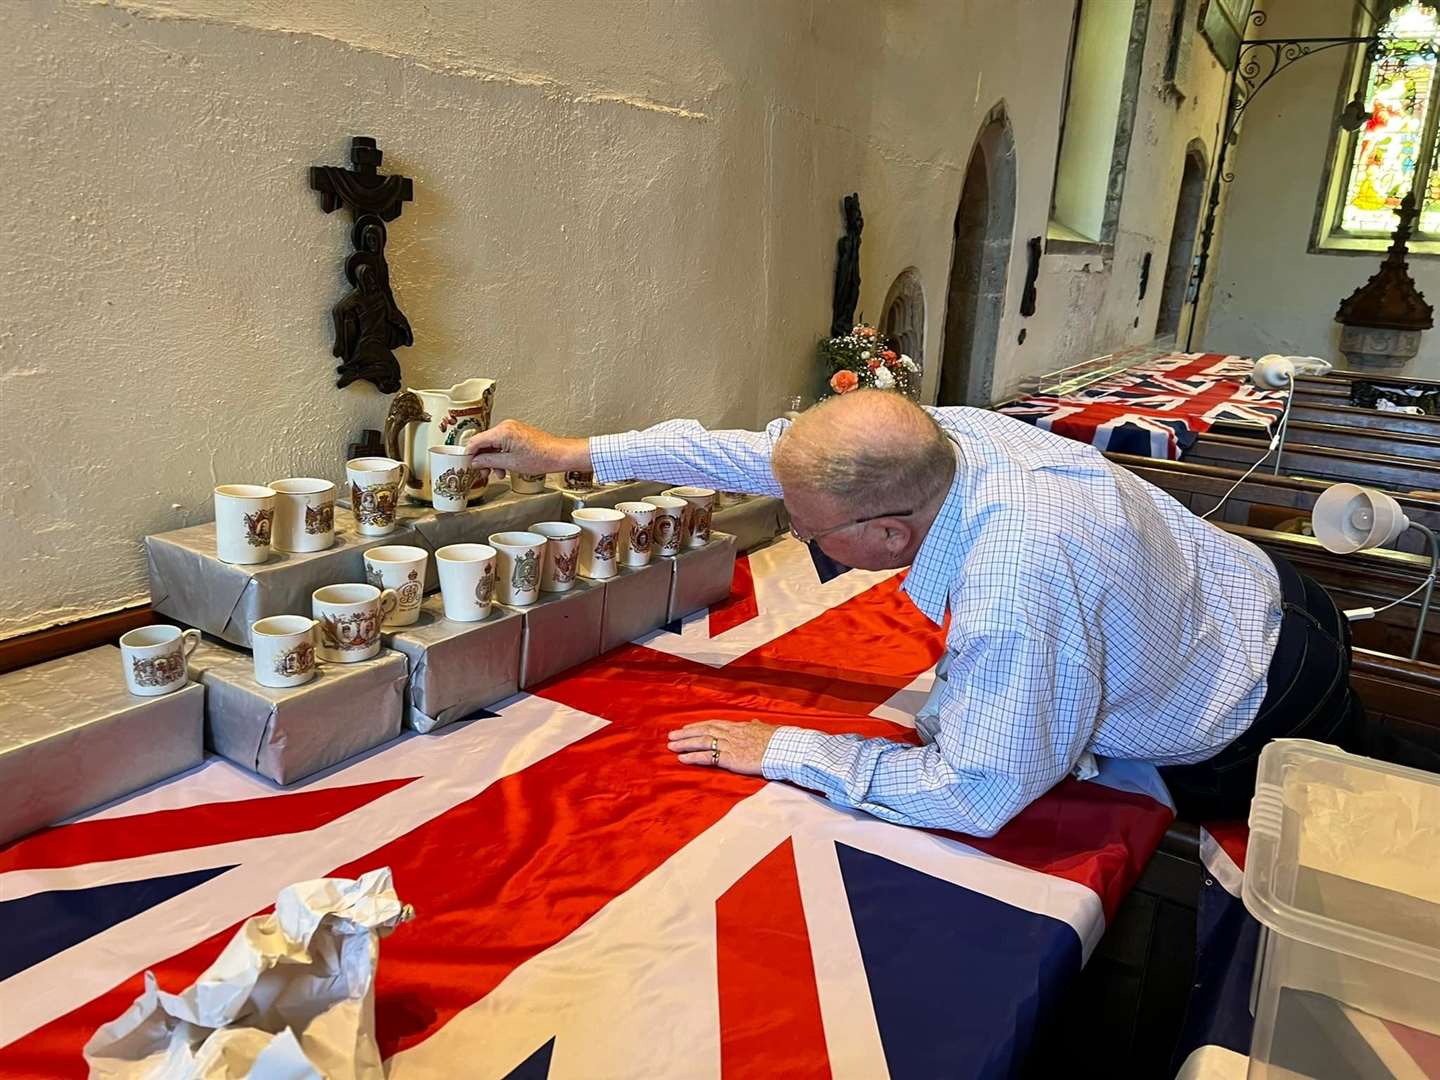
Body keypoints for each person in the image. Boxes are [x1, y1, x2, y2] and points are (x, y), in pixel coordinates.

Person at [465, 391, 1360, 833]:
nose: (802, 540)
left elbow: (976, 790)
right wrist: (572, 454)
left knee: (1376, 820)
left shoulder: (1015, 579)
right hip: (1262, 594)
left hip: (1261, 711)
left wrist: (789, 747)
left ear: (889, 535)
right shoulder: (936, 440)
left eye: (810, 532)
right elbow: (765, 457)